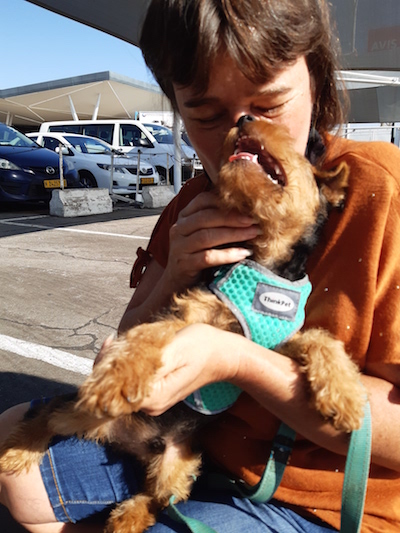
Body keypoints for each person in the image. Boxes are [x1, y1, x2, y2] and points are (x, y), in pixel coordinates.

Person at [1, 1, 400, 531]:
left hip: (322, 487)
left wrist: (237, 361)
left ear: (318, 78)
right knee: (14, 461)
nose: (241, 136)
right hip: (205, 441)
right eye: (208, 117)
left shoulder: (382, 193)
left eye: (270, 104)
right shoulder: (195, 204)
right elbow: (124, 353)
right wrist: (172, 274)